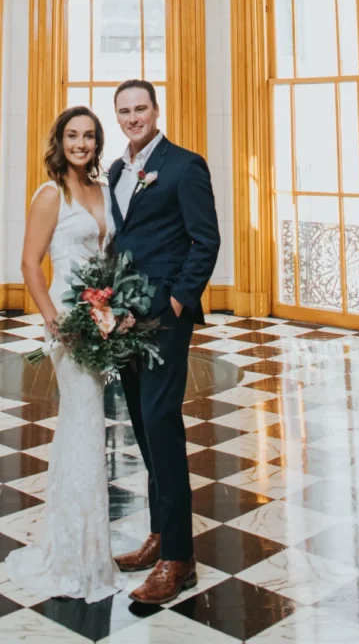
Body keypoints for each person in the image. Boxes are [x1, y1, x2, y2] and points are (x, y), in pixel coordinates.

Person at [109, 78, 220, 604]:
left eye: (141, 108)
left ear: (157, 110)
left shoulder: (184, 164)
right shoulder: (115, 170)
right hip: (124, 321)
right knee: (142, 427)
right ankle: (158, 535)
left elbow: (206, 238)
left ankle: (180, 557)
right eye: (125, 111)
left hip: (165, 321)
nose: (133, 118)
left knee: (162, 425)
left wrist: (178, 301)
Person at [5, 105, 121, 602]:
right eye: (72, 136)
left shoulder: (104, 190)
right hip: (68, 325)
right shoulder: (50, 194)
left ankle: (91, 548)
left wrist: (116, 309)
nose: (80, 144)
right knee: (84, 421)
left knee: (91, 427)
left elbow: (111, 256)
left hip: (102, 321)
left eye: (89, 136)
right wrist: (54, 319)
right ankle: (73, 556)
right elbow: (30, 264)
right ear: (60, 140)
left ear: (97, 143)